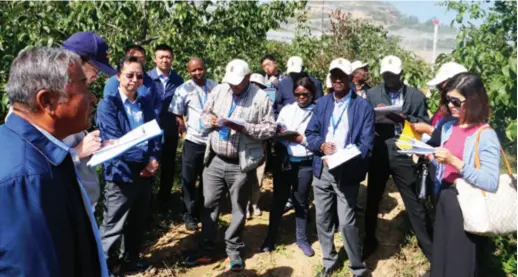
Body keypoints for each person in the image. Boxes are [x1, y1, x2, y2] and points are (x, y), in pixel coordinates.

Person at [0, 47, 107, 277]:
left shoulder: (35, 152)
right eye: (83, 86)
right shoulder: (28, 180)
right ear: (47, 101)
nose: (92, 98)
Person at [183, 59, 276, 272]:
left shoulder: (260, 98)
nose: (233, 86)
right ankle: (207, 246)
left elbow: (270, 129)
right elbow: (204, 115)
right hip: (215, 159)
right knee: (209, 204)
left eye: (238, 82)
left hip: (240, 163)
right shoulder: (220, 90)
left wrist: (243, 128)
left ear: (248, 77)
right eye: (231, 82)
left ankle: (233, 249)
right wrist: (211, 121)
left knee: (238, 208)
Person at [305, 58, 375, 277]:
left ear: (350, 78)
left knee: (346, 222)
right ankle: (328, 260)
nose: (337, 80)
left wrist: (346, 157)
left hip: (347, 171)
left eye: (342, 76)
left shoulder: (362, 107)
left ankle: (357, 267)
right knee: (323, 218)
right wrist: (321, 145)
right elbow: (310, 134)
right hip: (323, 169)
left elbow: (366, 144)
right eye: (334, 75)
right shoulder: (323, 103)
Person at [426, 73, 499, 277]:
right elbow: (445, 166)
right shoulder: (449, 127)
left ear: (474, 100)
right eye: (447, 100)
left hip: (466, 205)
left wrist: (454, 161)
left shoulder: (485, 135)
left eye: (456, 101)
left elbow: (491, 181)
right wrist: (431, 157)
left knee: (459, 265)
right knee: (440, 261)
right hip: (445, 198)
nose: (450, 105)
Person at [363, 55, 433, 262]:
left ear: (401, 74)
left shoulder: (415, 97)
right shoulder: (372, 94)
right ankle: (369, 240)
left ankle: (429, 246)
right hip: (380, 151)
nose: (390, 79)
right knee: (372, 198)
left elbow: (424, 123)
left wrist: (407, 121)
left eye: (393, 75)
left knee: (413, 201)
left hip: (404, 152)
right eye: (386, 75)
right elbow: (366, 120)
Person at [97, 56, 162, 274]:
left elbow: (155, 135)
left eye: (139, 75)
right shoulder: (108, 105)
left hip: (145, 173)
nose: (135, 79)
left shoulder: (145, 103)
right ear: (118, 77)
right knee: (112, 226)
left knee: (136, 222)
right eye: (129, 75)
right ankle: (102, 268)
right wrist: (146, 160)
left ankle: (130, 261)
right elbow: (115, 142)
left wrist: (154, 159)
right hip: (121, 173)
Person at [261, 76, 317, 257]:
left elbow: (319, 139)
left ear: (312, 94)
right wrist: (280, 134)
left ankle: (301, 239)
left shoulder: (317, 111)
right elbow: (278, 128)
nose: (301, 97)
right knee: (279, 199)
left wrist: (300, 139)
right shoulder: (287, 109)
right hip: (285, 161)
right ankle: (270, 237)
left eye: (305, 94)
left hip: (305, 162)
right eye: (297, 94)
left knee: (301, 201)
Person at [60, 31, 118, 208]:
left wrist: (95, 146)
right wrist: (77, 152)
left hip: (82, 203)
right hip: (64, 206)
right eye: (95, 70)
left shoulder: (72, 94)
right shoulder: (44, 102)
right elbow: (36, 160)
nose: (96, 77)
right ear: (75, 61)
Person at [169, 57, 218, 231]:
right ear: (188, 72)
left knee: (209, 180)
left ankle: (206, 213)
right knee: (189, 179)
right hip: (193, 141)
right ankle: (189, 214)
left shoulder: (216, 87)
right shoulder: (183, 89)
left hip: (212, 141)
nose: (197, 73)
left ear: (205, 69)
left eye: (200, 69)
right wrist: (183, 131)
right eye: (193, 70)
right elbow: (177, 113)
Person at [147, 44, 185, 210]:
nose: (164, 60)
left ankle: (164, 200)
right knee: (149, 161)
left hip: (170, 128)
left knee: (168, 164)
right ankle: (147, 201)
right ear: (155, 59)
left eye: (167, 57)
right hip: (150, 128)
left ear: (172, 59)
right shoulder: (146, 78)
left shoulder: (178, 80)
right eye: (161, 57)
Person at [413, 62, 468, 136]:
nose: (441, 92)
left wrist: (429, 130)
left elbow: (455, 139)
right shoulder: (444, 107)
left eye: (443, 88)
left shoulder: (463, 112)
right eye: (439, 87)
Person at [103, 45, 159, 117]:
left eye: (141, 58)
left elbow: (157, 103)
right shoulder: (113, 82)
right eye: (134, 58)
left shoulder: (150, 81)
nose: (135, 80)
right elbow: (109, 108)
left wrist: (152, 117)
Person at [247, 72, 268, 219]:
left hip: (260, 146)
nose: (255, 88)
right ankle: (245, 205)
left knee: (258, 178)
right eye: (253, 84)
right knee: (244, 179)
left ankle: (255, 203)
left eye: (259, 86)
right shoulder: (242, 102)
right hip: (244, 148)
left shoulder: (266, 103)